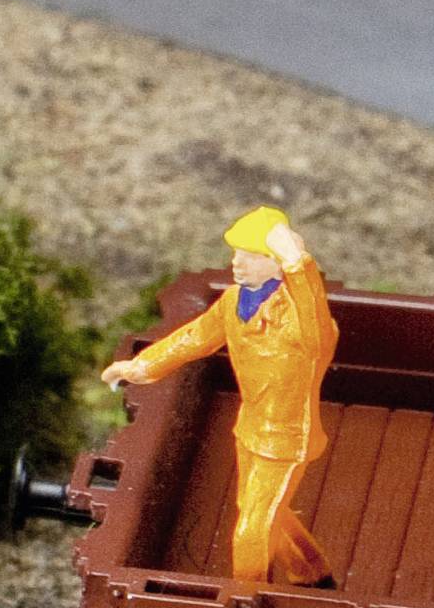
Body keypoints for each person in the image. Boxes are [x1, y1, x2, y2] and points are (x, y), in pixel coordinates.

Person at [106, 205, 337, 585]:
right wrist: (139, 368)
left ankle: (248, 597)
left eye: (251, 256)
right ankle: (312, 572)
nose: (237, 263)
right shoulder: (233, 303)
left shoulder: (304, 323)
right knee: (261, 510)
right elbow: (194, 337)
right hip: (251, 429)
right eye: (236, 254)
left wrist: (299, 263)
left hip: (286, 441)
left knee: (252, 529)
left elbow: (314, 318)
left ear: (277, 263)